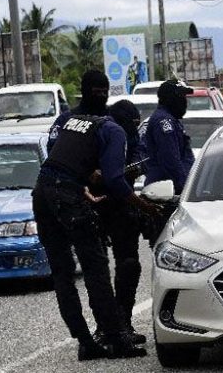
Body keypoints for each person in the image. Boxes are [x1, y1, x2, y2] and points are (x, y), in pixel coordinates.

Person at [33, 74, 156, 360]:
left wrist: (81, 187)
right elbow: (114, 179)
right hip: (68, 194)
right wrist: (144, 205)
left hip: (45, 189)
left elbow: (61, 162)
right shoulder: (113, 131)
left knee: (62, 273)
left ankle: (86, 342)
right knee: (96, 266)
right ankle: (116, 339)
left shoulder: (76, 122)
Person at [93, 100, 148, 345]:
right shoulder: (103, 131)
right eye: (132, 123)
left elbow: (138, 156)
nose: (134, 128)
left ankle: (123, 321)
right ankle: (104, 326)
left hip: (122, 202)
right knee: (97, 269)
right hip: (95, 202)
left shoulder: (129, 135)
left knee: (129, 264)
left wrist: (132, 168)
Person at [144, 79, 195, 194]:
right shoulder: (164, 122)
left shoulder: (172, 120)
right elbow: (170, 161)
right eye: (182, 96)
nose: (185, 101)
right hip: (168, 191)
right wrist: (186, 189)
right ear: (171, 99)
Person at [47, 70, 110, 153]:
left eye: (105, 92)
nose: (102, 96)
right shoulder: (66, 119)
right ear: (85, 91)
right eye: (97, 92)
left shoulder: (112, 117)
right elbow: (53, 150)